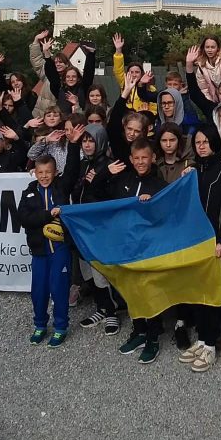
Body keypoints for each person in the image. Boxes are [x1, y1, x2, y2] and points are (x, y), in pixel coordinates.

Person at [92, 138, 168, 364]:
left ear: (153, 158)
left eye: (145, 157)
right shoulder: (122, 179)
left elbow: (165, 217)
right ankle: (139, 331)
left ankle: (153, 337)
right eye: (137, 158)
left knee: (149, 292)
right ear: (131, 159)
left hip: (148, 249)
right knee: (131, 291)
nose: (141, 162)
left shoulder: (159, 185)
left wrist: (151, 206)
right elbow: (96, 193)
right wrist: (105, 172)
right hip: (125, 246)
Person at [176, 124, 221, 373]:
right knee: (197, 293)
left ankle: (211, 345)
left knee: (211, 295)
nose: (202, 146)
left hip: (215, 245)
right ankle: (202, 339)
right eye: (198, 143)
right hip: (194, 243)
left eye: (206, 142)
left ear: (215, 143)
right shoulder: (191, 171)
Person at [62, 123, 123, 336]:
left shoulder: (111, 164)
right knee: (87, 272)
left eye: (92, 140)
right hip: (80, 228)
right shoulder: (82, 164)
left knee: (101, 273)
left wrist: (100, 176)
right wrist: (72, 145)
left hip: (99, 230)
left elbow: (107, 198)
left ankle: (112, 311)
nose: (87, 145)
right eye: (84, 141)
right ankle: (101, 307)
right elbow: (68, 184)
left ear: (101, 141)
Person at [18, 155, 73, 348]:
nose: (44, 176)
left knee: (59, 288)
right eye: (40, 172)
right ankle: (40, 325)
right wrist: (48, 215)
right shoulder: (29, 192)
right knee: (39, 290)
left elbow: (72, 169)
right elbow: (24, 219)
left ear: (55, 172)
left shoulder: (62, 187)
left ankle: (60, 327)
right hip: (39, 251)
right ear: (34, 172)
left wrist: (73, 145)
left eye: (48, 172)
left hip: (60, 250)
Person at [111, 33, 157, 114]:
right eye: (131, 72)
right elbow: (118, 70)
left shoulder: (150, 88)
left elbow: (154, 108)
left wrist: (146, 112)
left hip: (142, 118)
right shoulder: (124, 83)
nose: (134, 74)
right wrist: (118, 50)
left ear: (142, 74)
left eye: (137, 72)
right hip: (127, 117)